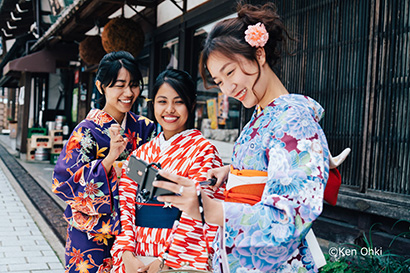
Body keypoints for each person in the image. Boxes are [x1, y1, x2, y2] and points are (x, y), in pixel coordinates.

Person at [153, 3, 332, 273]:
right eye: (219, 80)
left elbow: (291, 216)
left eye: (230, 72)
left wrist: (209, 210)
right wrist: (233, 172)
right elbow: (264, 172)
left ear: (259, 53)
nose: (228, 88)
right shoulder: (261, 117)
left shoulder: (295, 121)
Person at [111, 69, 224, 273]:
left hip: (177, 258)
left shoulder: (203, 151)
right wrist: (127, 254)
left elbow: (199, 211)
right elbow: (125, 207)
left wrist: (165, 262)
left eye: (178, 102)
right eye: (162, 101)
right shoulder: (141, 154)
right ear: (153, 104)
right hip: (136, 254)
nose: (169, 109)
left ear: (191, 104)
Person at [52, 51, 156, 273]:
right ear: (101, 87)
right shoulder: (86, 131)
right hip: (92, 232)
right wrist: (108, 161)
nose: (128, 93)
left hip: (135, 228)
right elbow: (62, 183)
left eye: (134, 84)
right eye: (120, 85)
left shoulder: (146, 128)